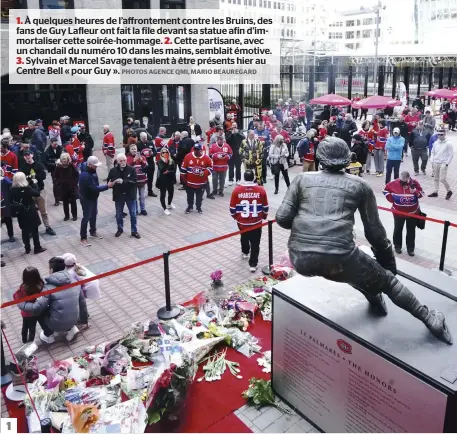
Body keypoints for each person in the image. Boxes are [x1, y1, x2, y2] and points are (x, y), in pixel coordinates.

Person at [275, 137, 452, 345]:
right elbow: (375, 234)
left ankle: (374, 298)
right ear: (347, 159)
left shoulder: (301, 180)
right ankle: (431, 319)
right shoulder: (360, 185)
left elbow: (282, 218)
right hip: (341, 256)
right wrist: (388, 266)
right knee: (384, 279)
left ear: (320, 159)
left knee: (357, 269)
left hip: (300, 257)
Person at [18, 257, 81, 343]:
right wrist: (84, 320)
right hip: (75, 318)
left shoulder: (48, 288)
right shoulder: (74, 281)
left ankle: (48, 336)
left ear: (51, 270)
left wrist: (20, 303)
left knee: (41, 311)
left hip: (57, 324)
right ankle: (72, 329)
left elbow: (35, 307)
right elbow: (82, 302)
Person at [229, 169, 269, 272]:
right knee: (255, 243)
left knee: (244, 236)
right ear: (254, 177)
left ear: (244, 178)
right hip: (256, 222)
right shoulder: (261, 190)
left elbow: (232, 209)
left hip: (242, 222)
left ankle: (245, 251)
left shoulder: (237, 190)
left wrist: (236, 217)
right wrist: (263, 216)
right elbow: (265, 207)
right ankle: (253, 264)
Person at [384, 171, 423, 257]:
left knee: (411, 231)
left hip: (412, 213)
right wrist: (392, 199)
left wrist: (415, 191)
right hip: (398, 212)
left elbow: (422, 194)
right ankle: (397, 246)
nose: (402, 182)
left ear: (409, 178)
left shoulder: (415, 183)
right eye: (401, 180)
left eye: (404, 181)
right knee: (398, 229)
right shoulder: (394, 183)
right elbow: (385, 190)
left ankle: (410, 249)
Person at [79, 156, 114, 246]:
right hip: (87, 199)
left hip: (93, 198)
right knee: (86, 217)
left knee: (94, 214)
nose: (96, 167)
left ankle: (93, 231)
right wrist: (107, 186)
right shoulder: (85, 175)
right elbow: (94, 188)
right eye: (95, 165)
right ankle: (83, 237)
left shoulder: (92, 171)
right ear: (89, 164)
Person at [21, 151, 56, 235]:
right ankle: (31, 230)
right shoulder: (22, 167)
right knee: (30, 212)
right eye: (25, 155)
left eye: (28, 155)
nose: (27, 157)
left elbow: (43, 176)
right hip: (29, 192)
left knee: (43, 211)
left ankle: (48, 227)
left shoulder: (39, 165)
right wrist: (31, 177)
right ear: (24, 157)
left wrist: (32, 177)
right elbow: (22, 178)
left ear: (32, 155)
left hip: (40, 191)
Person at [11, 172, 46, 254]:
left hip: (21, 212)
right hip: (30, 210)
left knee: (24, 230)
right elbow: (37, 194)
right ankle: (37, 247)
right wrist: (35, 184)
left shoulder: (12, 189)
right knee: (34, 230)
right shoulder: (27, 188)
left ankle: (27, 248)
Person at [107, 153, 140, 238]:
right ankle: (120, 229)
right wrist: (112, 183)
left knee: (133, 213)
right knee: (118, 214)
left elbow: (134, 181)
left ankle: (134, 231)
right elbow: (109, 182)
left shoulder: (131, 169)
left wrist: (123, 181)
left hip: (130, 195)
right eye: (121, 161)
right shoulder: (113, 170)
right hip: (119, 195)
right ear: (117, 161)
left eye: (124, 160)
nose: (123, 162)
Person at [13, 267, 47, 343]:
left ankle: (25, 341)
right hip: (38, 310)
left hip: (27, 313)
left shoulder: (23, 288)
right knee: (33, 329)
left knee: (25, 327)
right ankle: (31, 341)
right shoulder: (40, 284)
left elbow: (16, 297)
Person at [181, 143, 213, 214]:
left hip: (201, 183)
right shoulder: (188, 156)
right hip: (189, 183)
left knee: (199, 198)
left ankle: (199, 208)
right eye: (195, 149)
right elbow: (183, 169)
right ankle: (190, 207)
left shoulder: (206, 158)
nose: (196, 151)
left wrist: (205, 173)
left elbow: (211, 167)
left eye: (198, 150)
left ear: (201, 150)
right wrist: (184, 181)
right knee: (190, 197)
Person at [428, 129, 453, 200]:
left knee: (442, 179)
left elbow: (450, 154)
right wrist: (432, 160)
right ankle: (435, 192)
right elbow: (432, 152)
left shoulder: (448, 143)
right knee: (436, 178)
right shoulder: (436, 143)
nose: (439, 136)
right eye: (438, 134)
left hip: (443, 163)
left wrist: (447, 163)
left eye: (441, 134)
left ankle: (449, 191)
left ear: (444, 134)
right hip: (436, 162)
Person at [54, 153, 79, 221]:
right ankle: (66, 216)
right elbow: (55, 176)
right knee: (65, 202)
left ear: (68, 160)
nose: (64, 162)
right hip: (63, 188)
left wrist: (75, 182)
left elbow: (76, 174)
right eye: (63, 160)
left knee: (73, 202)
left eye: (65, 160)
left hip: (71, 187)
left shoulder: (71, 166)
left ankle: (74, 215)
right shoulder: (58, 167)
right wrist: (59, 183)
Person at [127, 145, 148, 217]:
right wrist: (133, 161)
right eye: (132, 149)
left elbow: (146, 166)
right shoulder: (128, 158)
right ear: (129, 150)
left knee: (142, 196)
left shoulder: (142, 157)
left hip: (142, 180)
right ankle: (135, 210)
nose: (134, 150)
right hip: (133, 182)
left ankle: (143, 209)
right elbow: (128, 168)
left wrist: (142, 161)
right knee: (134, 197)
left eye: (135, 149)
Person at [156, 147, 177, 215]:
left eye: (166, 152)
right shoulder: (159, 161)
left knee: (171, 192)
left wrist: (168, 171)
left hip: (170, 179)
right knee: (163, 194)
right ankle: (164, 208)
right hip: (163, 180)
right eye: (163, 152)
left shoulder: (171, 161)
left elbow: (174, 170)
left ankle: (169, 203)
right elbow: (162, 169)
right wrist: (167, 168)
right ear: (161, 154)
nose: (165, 154)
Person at [137, 132, 158, 197]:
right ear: (140, 138)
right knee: (142, 178)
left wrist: (152, 154)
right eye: (143, 138)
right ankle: (141, 192)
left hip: (150, 163)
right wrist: (141, 157)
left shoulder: (150, 142)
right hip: (142, 164)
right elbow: (137, 154)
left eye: (145, 138)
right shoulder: (138, 144)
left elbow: (155, 152)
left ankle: (150, 191)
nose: (144, 139)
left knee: (150, 178)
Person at [43, 137, 63, 206]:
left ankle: (63, 197)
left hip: (61, 168)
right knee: (56, 184)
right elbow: (45, 161)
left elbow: (63, 155)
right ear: (51, 143)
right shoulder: (47, 151)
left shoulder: (60, 148)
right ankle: (57, 199)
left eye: (56, 144)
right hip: (53, 169)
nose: (56, 145)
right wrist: (54, 163)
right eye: (54, 144)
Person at [1, 168, 15, 242]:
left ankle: (11, 235)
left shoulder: (5, 180)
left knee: (8, 221)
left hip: (6, 205)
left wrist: (5, 178)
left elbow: (12, 185)